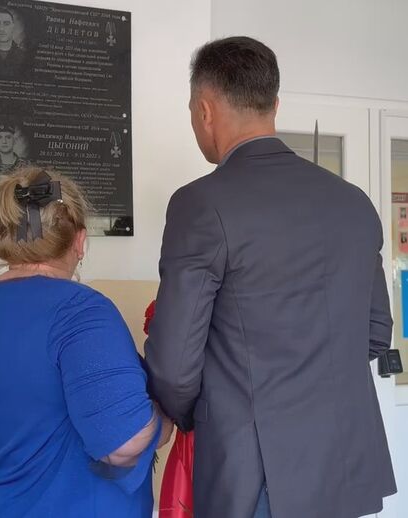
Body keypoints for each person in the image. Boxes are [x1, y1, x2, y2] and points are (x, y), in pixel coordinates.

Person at [144, 36, 396, 518]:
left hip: (256, 473)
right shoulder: (353, 203)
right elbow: (375, 333)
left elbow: (174, 367)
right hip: (343, 465)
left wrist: (200, 417)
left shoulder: (201, 204)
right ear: (274, 105)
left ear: (204, 109)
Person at [0, 167, 172, 517]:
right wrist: (163, 420)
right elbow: (123, 444)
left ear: (4, 239)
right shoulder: (81, 312)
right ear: (79, 241)